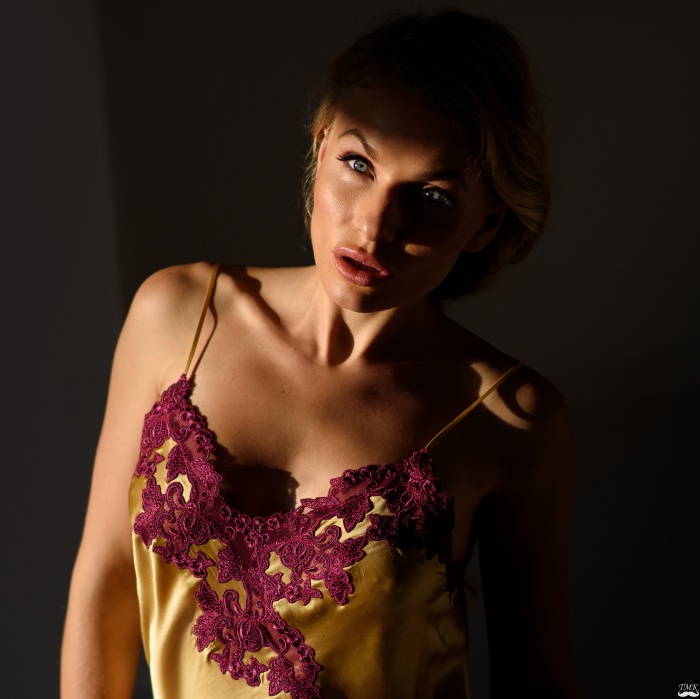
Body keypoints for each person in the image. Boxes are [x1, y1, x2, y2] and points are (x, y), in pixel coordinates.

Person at [61, 10, 580, 699]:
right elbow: (104, 585)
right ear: (321, 140)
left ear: (486, 224)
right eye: (358, 164)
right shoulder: (176, 315)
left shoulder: (508, 418)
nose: (374, 225)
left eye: (432, 196)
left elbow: (538, 681)